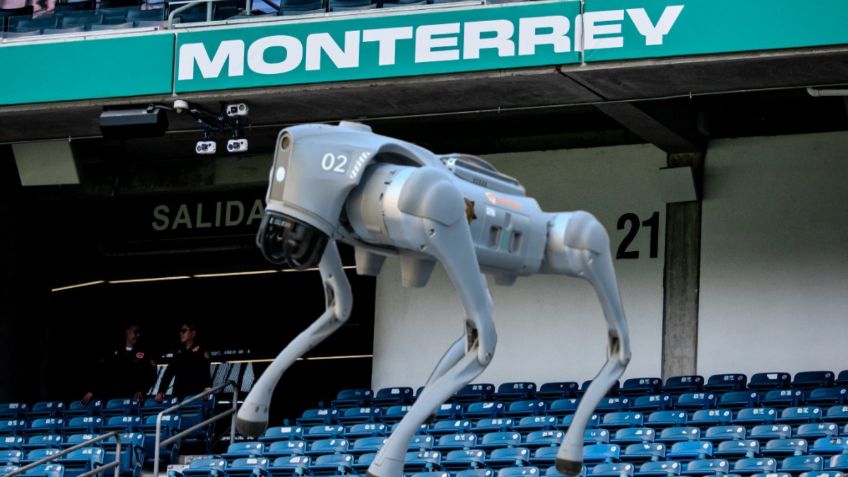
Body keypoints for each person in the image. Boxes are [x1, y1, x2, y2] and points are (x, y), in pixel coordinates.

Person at [81, 323, 157, 404]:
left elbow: (151, 375)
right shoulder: (114, 352)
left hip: (135, 398)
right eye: (135, 332)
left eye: (139, 333)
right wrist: (92, 391)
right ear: (127, 332)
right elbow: (101, 373)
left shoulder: (145, 353)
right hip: (114, 396)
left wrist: (142, 390)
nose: (138, 335)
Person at [155, 322, 212, 401]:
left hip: (195, 396)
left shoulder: (202, 351)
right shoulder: (178, 352)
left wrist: (207, 389)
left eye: (184, 331)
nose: (181, 333)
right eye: (180, 331)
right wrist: (161, 391)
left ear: (193, 333)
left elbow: (206, 372)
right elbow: (168, 373)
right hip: (178, 396)